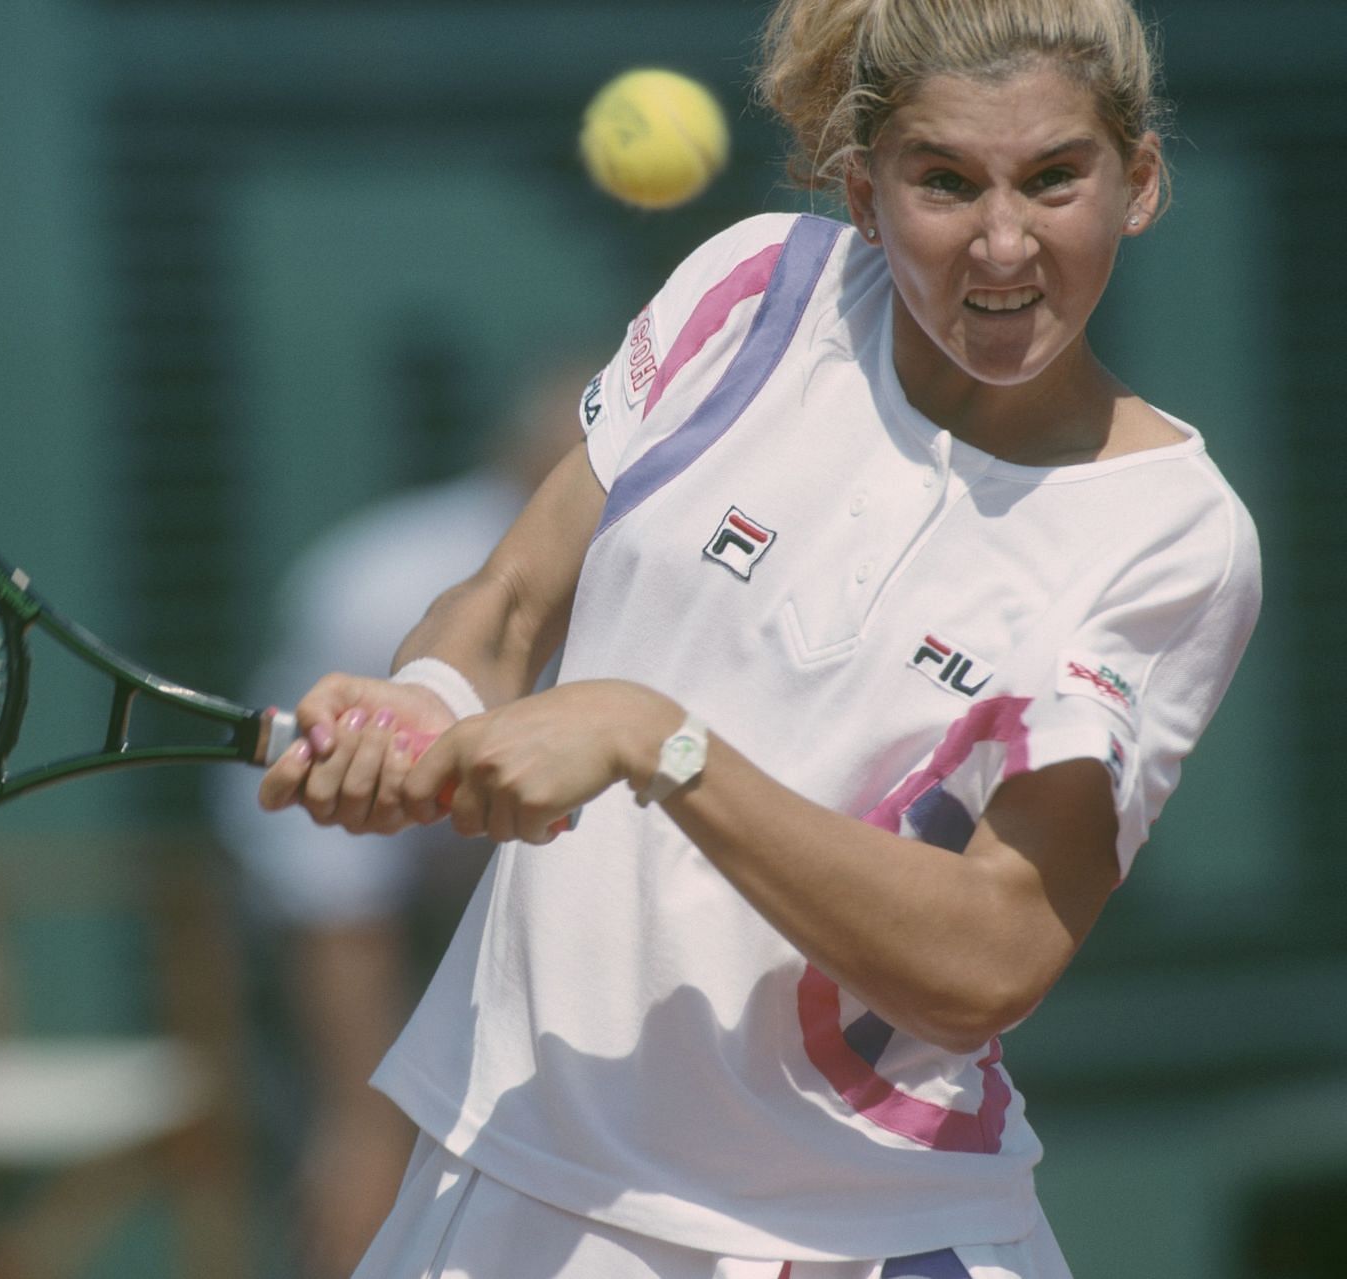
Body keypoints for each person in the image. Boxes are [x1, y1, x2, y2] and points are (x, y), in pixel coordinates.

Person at [254, 0, 1263, 1275]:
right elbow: (508, 600)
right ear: (862, 187)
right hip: (504, 1170)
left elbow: (992, 955)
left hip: (856, 1238)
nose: (1004, 242)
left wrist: (657, 743)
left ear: (1142, 183)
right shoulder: (756, 288)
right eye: (944, 182)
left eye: (1055, 178)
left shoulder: (1173, 532)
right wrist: (433, 693)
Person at [213, 362, 588, 1278]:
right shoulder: (381, 587)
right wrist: (357, 1122)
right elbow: (334, 899)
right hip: (354, 941)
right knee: (358, 1207)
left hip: (547, 929)